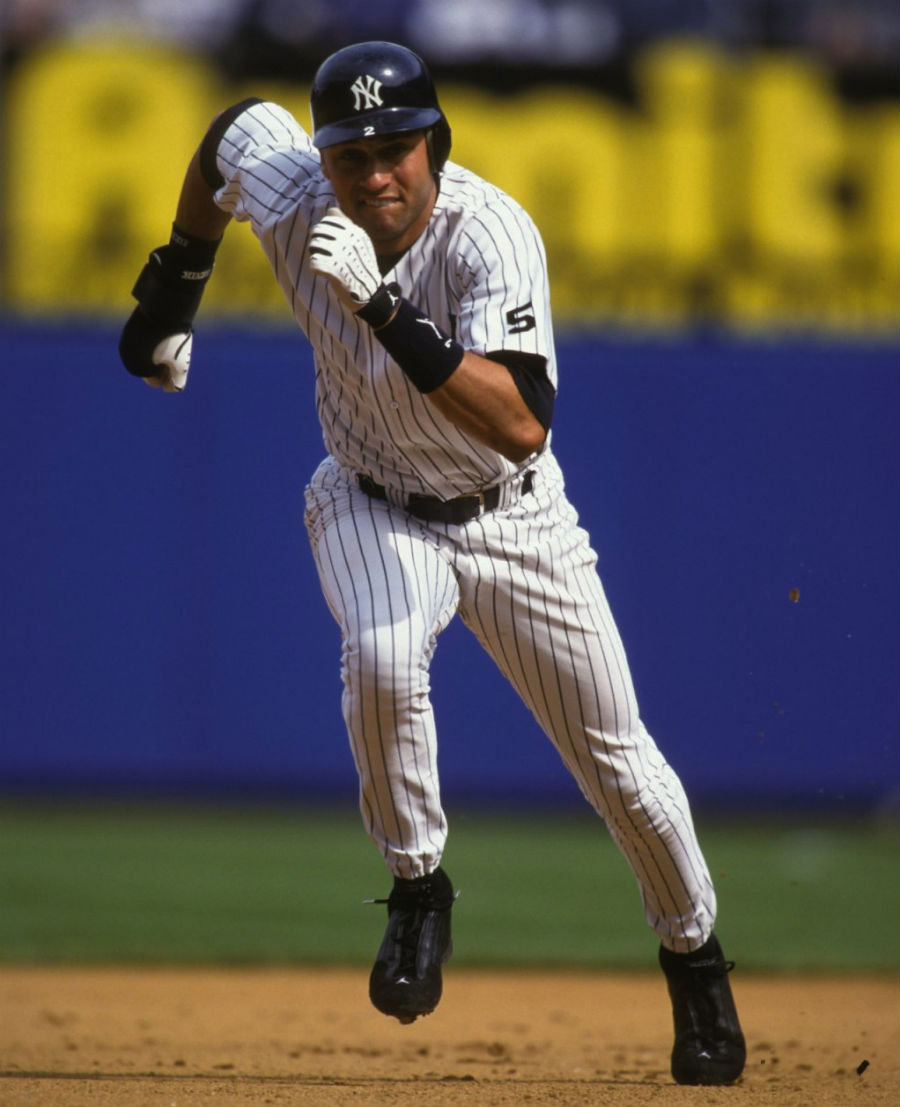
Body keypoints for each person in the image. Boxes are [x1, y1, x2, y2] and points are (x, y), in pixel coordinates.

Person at [118, 40, 746, 1085]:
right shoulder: (290, 191)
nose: (375, 175)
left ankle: (695, 958)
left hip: (513, 517)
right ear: (323, 162)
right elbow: (231, 130)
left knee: (625, 771)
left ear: (434, 145)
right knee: (380, 652)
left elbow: (522, 424)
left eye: (396, 149)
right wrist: (176, 278)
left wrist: (385, 309)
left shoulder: (490, 232)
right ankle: (418, 891)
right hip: (372, 502)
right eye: (351, 154)